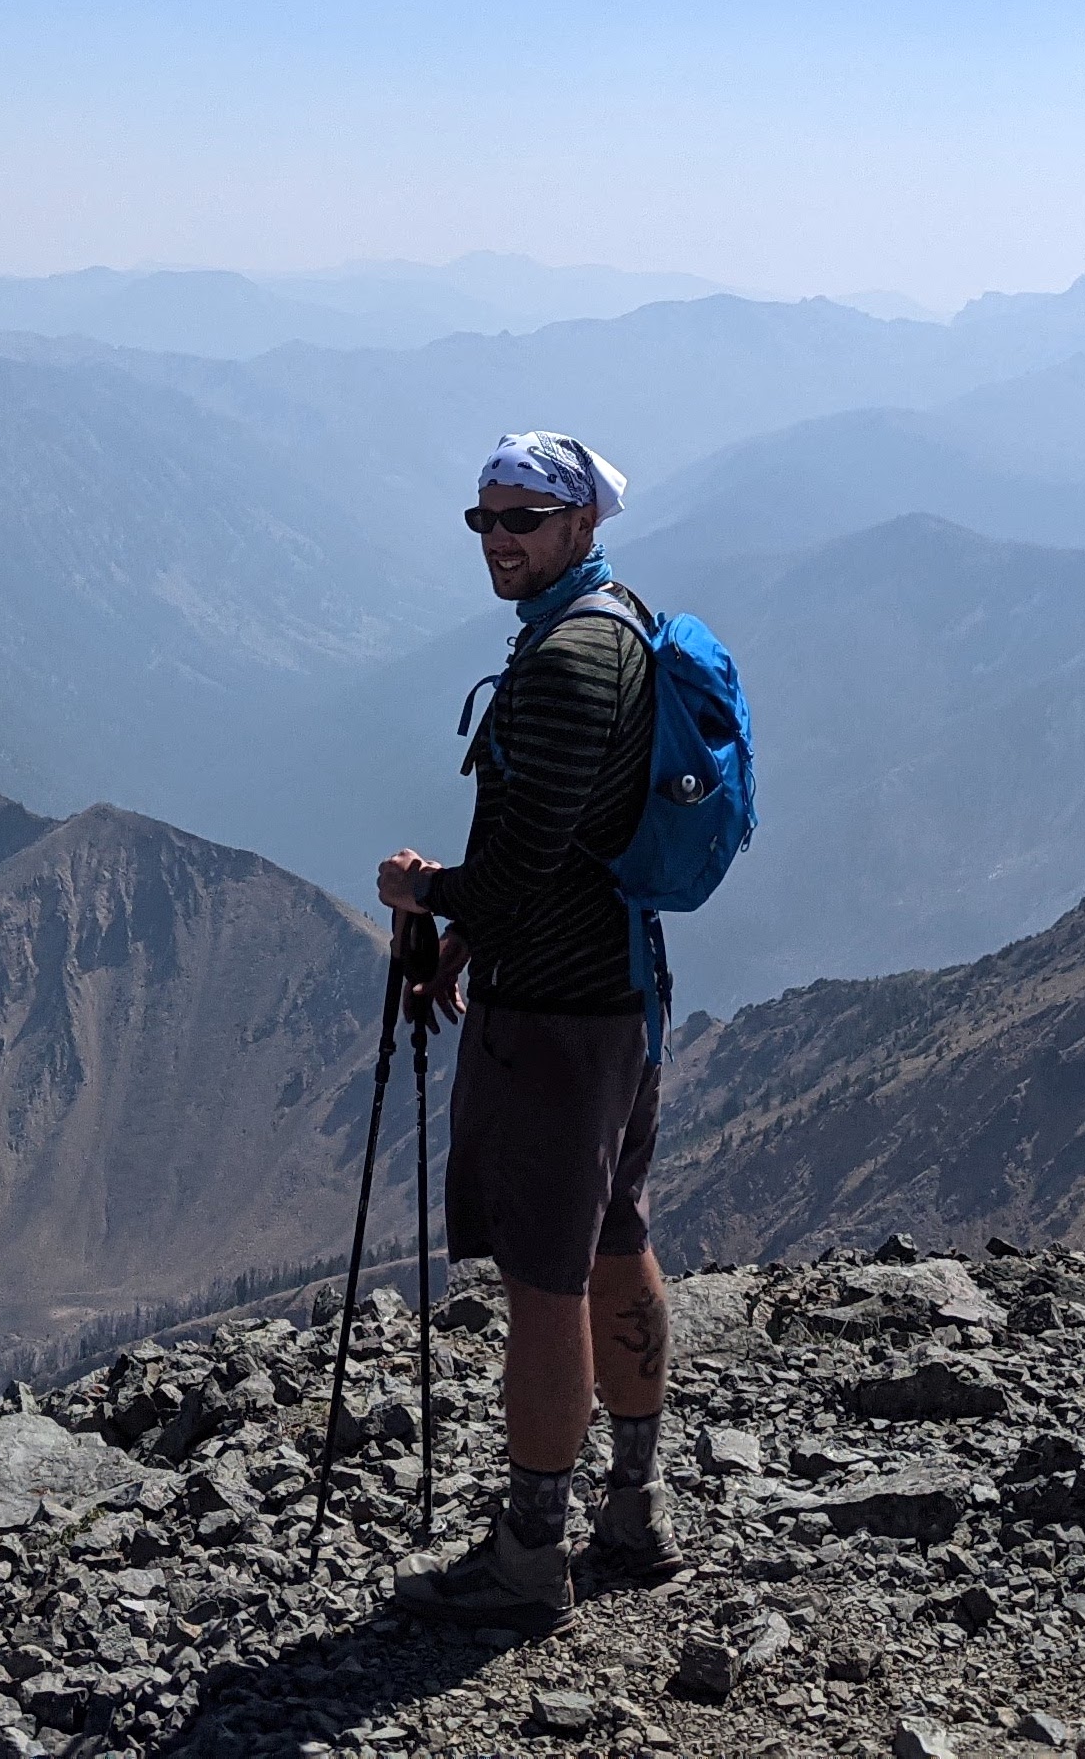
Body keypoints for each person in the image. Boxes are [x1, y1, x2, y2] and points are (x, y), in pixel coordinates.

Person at [375, 430, 676, 1632]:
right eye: (482, 518)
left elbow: (520, 861)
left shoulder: (565, 661)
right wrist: (470, 931)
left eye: (523, 518)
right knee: (615, 1230)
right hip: (620, 992)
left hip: (552, 1020)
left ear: (579, 523)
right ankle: (633, 1509)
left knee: (544, 1280)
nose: (498, 539)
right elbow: (560, 853)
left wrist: (426, 894)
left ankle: (528, 1555)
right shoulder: (622, 624)